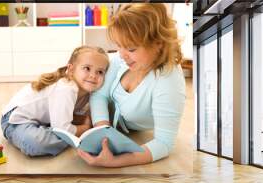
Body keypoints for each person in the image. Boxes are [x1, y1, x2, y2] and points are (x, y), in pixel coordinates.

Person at [77, 3, 186, 167]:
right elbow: (99, 95)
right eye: (119, 46)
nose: (122, 55)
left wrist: (116, 161)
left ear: (158, 43)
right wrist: (103, 131)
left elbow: (164, 143)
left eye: (131, 48)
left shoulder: (168, 80)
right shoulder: (120, 60)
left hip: (92, 118)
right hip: (85, 107)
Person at [1, 46, 109, 157]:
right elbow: (64, 128)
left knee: (60, 130)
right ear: (71, 69)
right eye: (87, 68)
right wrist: (85, 128)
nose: (93, 75)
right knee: (36, 144)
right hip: (14, 120)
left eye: (100, 72)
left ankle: (54, 130)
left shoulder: (89, 91)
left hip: (42, 120)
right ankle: (61, 134)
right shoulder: (67, 88)